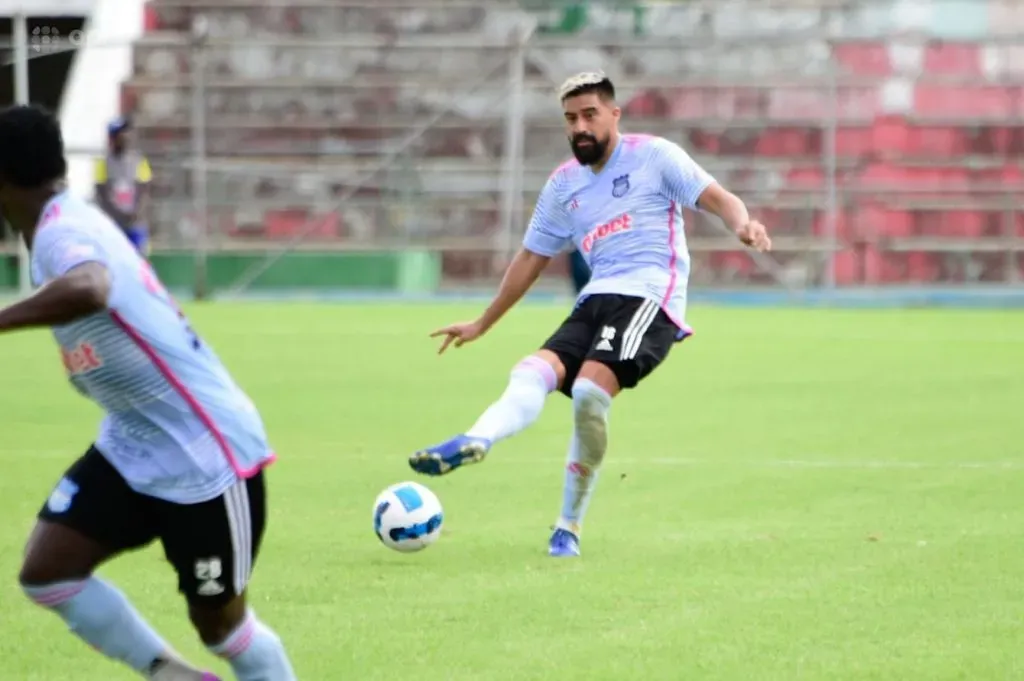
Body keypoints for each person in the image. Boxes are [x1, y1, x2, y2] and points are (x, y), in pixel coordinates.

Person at [408, 72, 771, 558]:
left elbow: (719, 199)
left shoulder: (654, 156)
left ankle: (568, 526)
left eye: (589, 115)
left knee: (587, 392)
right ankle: (476, 438)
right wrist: (481, 323)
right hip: (596, 298)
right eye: (570, 118)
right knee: (531, 372)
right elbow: (530, 259)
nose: (579, 126)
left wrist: (743, 224)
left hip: (649, 297)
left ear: (613, 115)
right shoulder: (563, 185)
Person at [0, 104, 297, 680]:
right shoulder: (60, 223)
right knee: (48, 571)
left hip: (203, 454)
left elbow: (91, 286)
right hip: (133, 442)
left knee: (222, 629)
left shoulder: (64, 233)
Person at [95, 116, 153, 256]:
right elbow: (102, 194)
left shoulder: (139, 161)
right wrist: (119, 214)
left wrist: (136, 213)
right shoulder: (102, 163)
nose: (127, 137)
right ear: (114, 137)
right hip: (113, 224)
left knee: (139, 261)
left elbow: (144, 190)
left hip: (135, 224)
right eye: (123, 133)